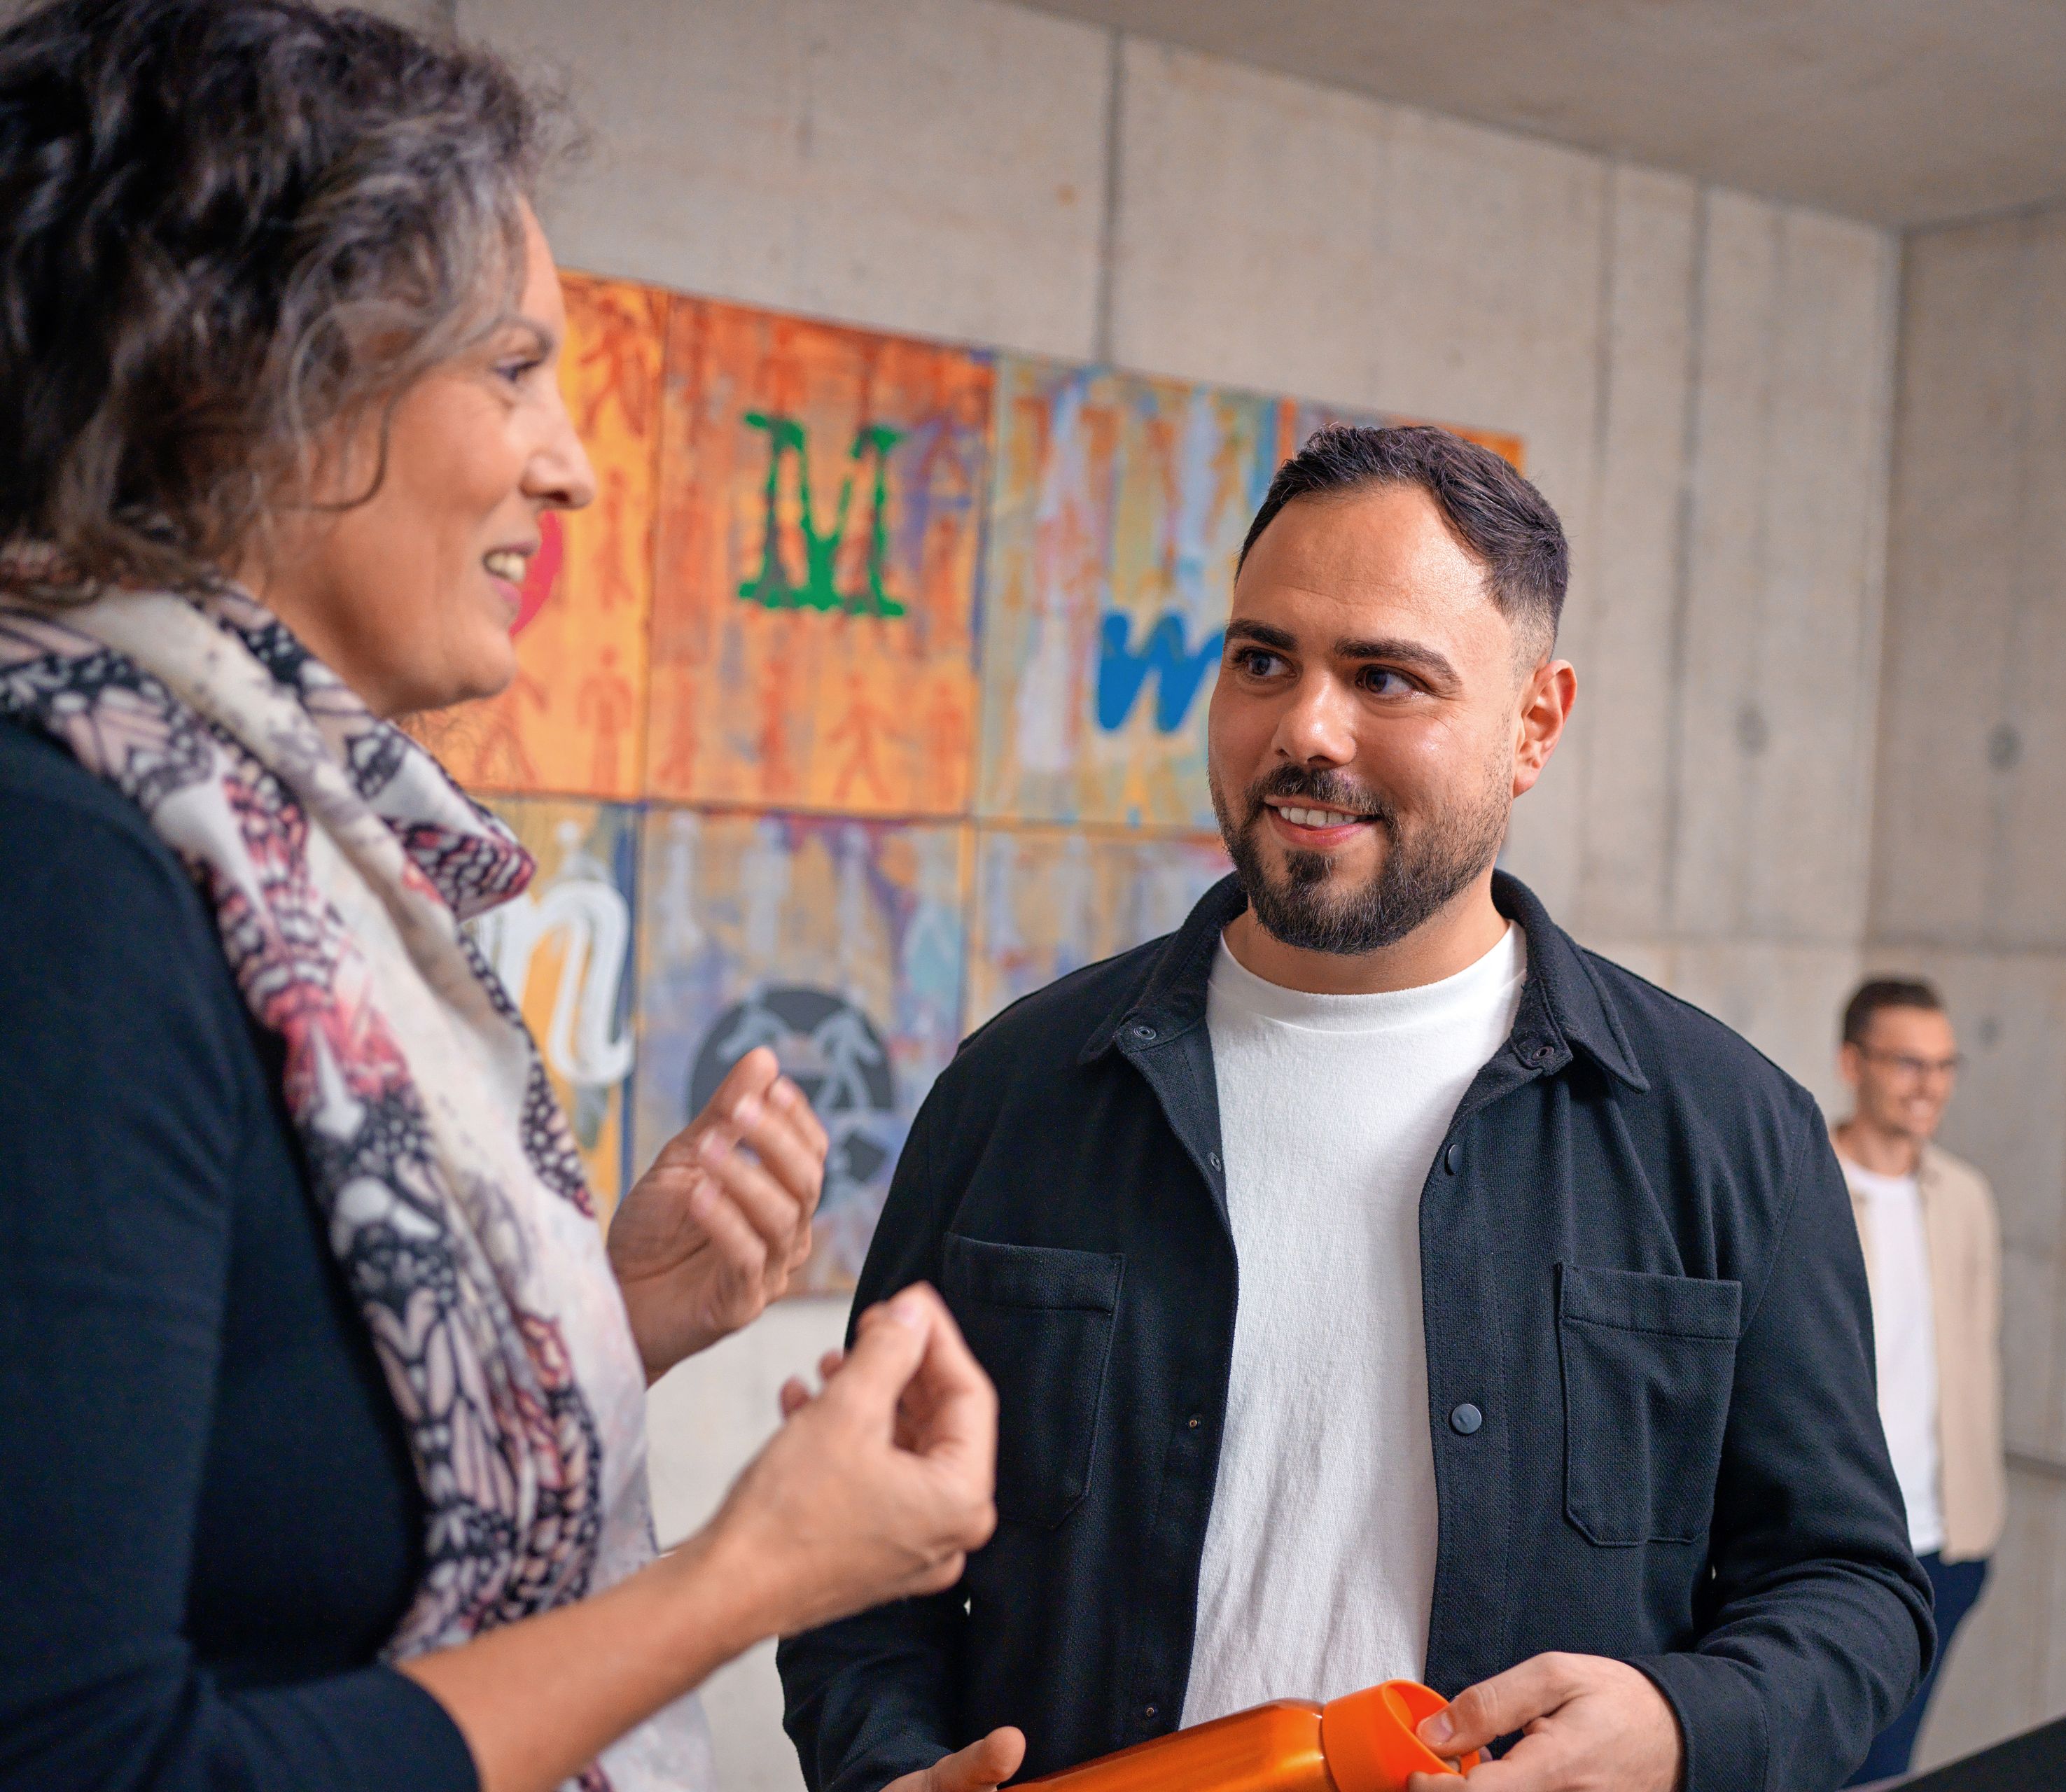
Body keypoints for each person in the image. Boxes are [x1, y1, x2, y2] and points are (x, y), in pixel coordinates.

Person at [0, 6, 996, 1791]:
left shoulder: (281, 845)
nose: (573, 461)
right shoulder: (59, 870)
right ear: (256, 372)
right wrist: (744, 1577)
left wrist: (608, 1318)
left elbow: (245, 1499)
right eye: (512, 367)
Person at [779, 425, 1933, 1792]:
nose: (1305, 727)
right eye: (1263, 659)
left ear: (1535, 723)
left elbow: (1852, 1591)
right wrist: (890, 1765)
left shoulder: (1725, 1128)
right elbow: (856, 1566)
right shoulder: (1018, 1089)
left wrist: (1683, 1725)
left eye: (1387, 676)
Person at [1829, 979, 2003, 1784]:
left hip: (1942, 1542)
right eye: (1908, 1062)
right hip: (1829, 1542)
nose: (1929, 1085)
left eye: (1944, 1065)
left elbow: (1974, 1354)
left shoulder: (1965, 1197)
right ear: (1852, 1064)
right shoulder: (1805, 1182)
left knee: (1890, 1767)